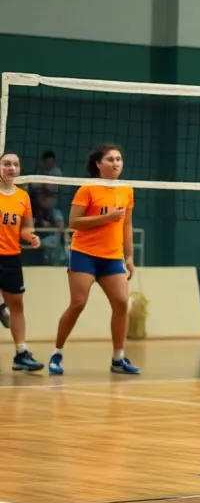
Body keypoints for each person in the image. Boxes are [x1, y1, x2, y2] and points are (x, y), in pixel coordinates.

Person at [50, 144, 139, 376]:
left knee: (122, 303)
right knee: (78, 303)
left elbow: (126, 225)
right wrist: (107, 217)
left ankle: (118, 359)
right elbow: (73, 223)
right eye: (110, 159)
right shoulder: (87, 189)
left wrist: (130, 256)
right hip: (84, 253)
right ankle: (57, 353)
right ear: (99, 164)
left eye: (119, 159)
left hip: (112, 256)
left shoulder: (126, 190)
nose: (116, 163)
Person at [0, 153, 44, 372]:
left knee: (17, 305)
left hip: (11, 258)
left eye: (15, 164)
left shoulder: (23, 196)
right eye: (6, 164)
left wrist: (30, 236)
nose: (11, 168)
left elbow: (26, 227)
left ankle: (21, 354)